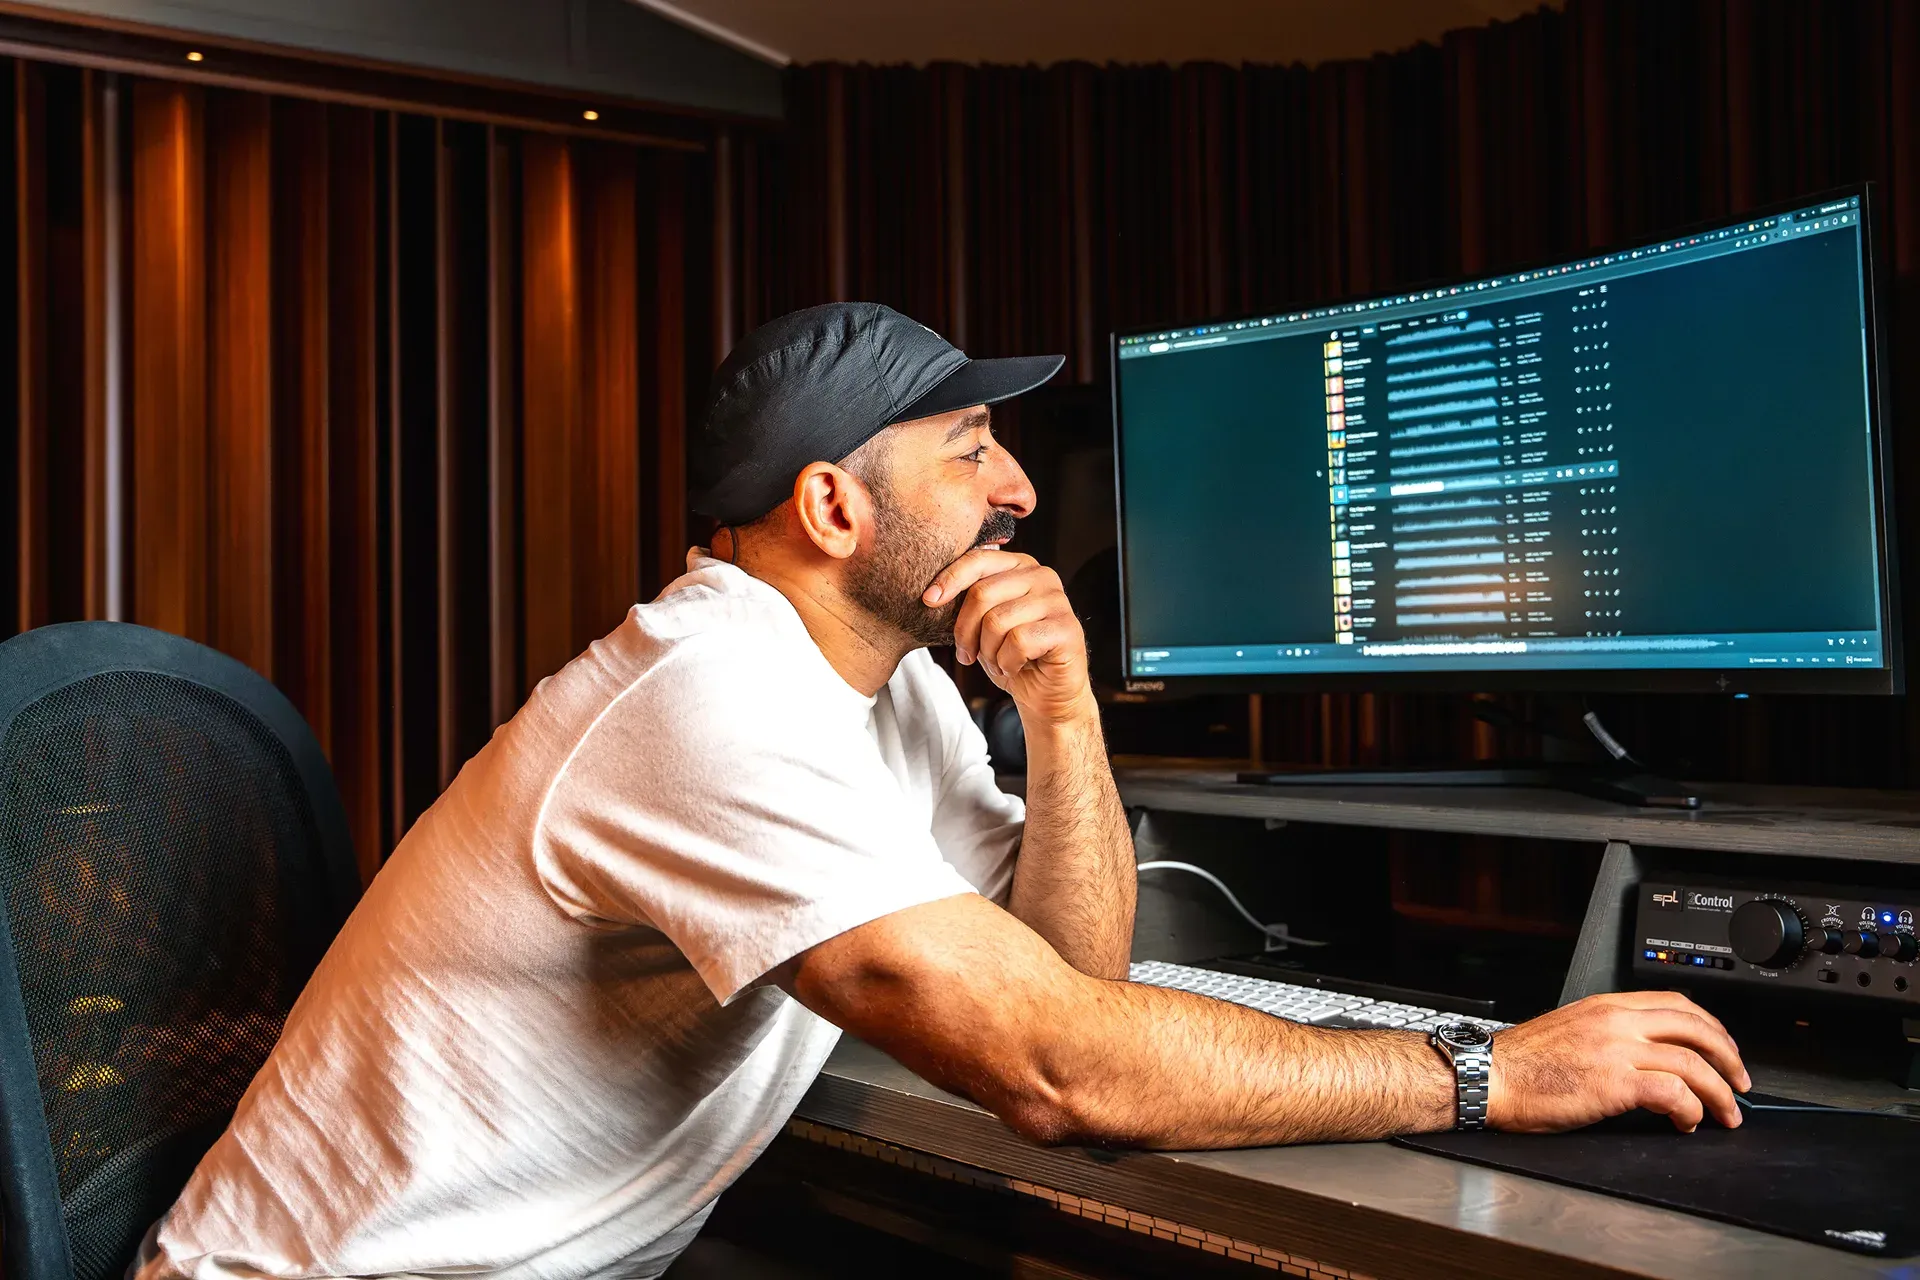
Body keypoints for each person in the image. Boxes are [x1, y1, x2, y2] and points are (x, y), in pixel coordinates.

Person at [136, 303, 1750, 1280]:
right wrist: (1489, 1074)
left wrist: (1061, 710)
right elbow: (1056, 1069)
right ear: (833, 504)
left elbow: (1075, 979)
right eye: (970, 446)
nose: (1024, 488)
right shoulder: (704, 698)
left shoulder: (889, 681)